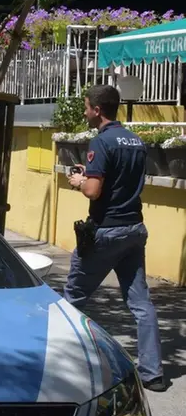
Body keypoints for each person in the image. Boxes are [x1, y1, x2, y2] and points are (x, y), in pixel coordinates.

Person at [64, 84, 167, 392]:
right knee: (141, 303)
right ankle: (154, 374)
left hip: (105, 231)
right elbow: (124, 179)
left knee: (72, 299)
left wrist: (80, 180)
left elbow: (94, 191)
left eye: (86, 107)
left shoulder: (102, 141)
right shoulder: (136, 141)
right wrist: (92, 172)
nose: (84, 112)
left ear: (97, 110)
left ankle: (65, 366)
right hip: (134, 229)